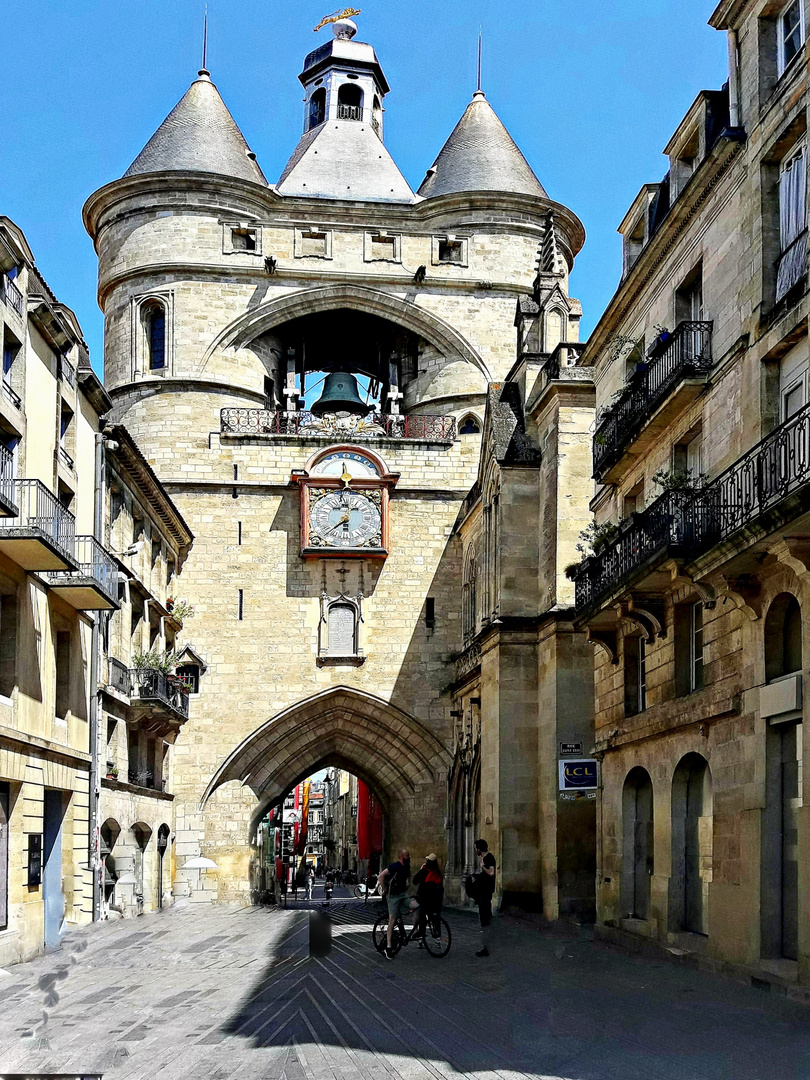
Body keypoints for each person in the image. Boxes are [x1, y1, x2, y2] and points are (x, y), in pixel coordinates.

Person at [378, 848, 412, 959]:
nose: (409, 857)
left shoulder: (407, 867)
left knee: (417, 906)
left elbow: (408, 879)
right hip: (393, 897)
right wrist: (385, 889)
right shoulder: (395, 866)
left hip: (403, 895)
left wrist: (407, 886)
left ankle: (419, 932)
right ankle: (388, 947)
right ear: (401, 857)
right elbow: (381, 876)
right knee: (392, 920)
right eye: (407, 855)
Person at [412, 854, 444, 942]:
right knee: (435, 917)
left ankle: (420, 935)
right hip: (436, 900)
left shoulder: (424, 871)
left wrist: (421, 869)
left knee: (420, 914)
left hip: (424, 899)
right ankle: (437, 938)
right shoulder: (438, 872)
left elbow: (414, 881)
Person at [473, 838, 496, 957]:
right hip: (484, 893)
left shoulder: (488, 858)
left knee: (486, 919)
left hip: (486, 894)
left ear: (479, 848)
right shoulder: (485, 858)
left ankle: (488, 947)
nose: (475, 850)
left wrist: (482, 867)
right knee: (485, 919)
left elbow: (491, 872)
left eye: (476, 847)